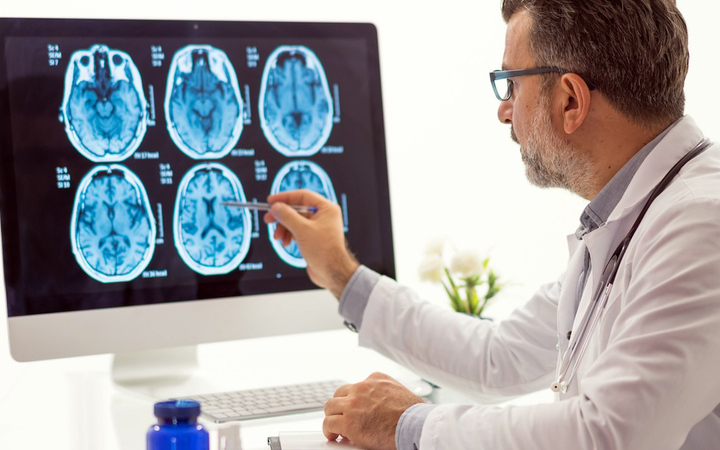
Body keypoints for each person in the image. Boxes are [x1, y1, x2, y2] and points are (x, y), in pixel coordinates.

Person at [264, 0, 720, 449]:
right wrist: (340, 274)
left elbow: (608, 434)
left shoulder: (700, 223)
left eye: (511, 85)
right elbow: (499, 356)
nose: (504, 111)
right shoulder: (634, 216)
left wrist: (409, 425)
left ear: (570, 100)